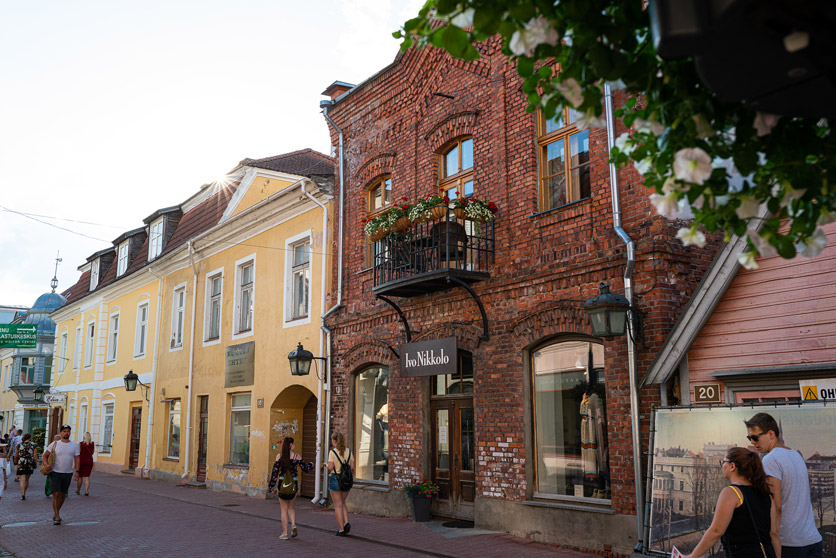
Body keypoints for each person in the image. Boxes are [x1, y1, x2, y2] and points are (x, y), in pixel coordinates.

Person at [746, 412, 822, 558]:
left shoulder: (770, 460)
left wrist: (773, 542)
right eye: (749, 438)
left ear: (770, 434)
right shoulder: (796, 455)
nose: (752, 442)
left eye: (755, 437)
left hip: (789, 544)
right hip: (812, 540)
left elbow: (776, 506)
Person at [684, 447, 777, 558]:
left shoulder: (731, 493)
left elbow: (716, 531)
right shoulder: (765, 493)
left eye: (723, 462)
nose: (722, 466)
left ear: (732, 466)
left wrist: (692, 556)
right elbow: (773, 533)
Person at [267, 437, 313, 540]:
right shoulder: (297, 456)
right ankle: (293, 525)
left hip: (282, 484)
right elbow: (305, 468)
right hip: (294, 484)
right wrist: (311, 464)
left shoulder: (279, 457)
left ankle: (285, 533)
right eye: (294, 443)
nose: (294, 445)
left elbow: (274, 473)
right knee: (291, 507)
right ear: (291, 445)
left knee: (283, 509)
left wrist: (271, 487)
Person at [42, 425, 80, 525]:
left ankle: (56, 512)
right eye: (64, 431)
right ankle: (57, 515)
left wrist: (77, 471)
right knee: (56, 493)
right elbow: (44, 456)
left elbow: (77, 458)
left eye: (68, 431)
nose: (66, 433)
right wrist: (46, 465)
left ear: (70, 433)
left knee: (63, 495)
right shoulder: (54, 444)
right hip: (55, 472)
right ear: (61, 433)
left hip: (67, 473)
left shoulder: (74, 445)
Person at [326, 431, 354, 537]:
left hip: (335, 478)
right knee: (342, 502)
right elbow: (352, 467)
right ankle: (346, 522)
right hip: (347, 480)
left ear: (334, 441)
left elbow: (330, 467)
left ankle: (341, 529)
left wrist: (325, 464)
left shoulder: (332, 452)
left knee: (337, 505)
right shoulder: (349, 452)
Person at [15, 433, 38, 500]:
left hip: (22, 461)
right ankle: (24, 492)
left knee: (22, 479)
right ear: (30, 437)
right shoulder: (33, 444)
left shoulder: (19, 445)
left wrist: (15, 460)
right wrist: (35, 463)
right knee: (27, 479)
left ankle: (22, 494)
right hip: (30, 462)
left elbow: (16, 454)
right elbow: (35, 455)